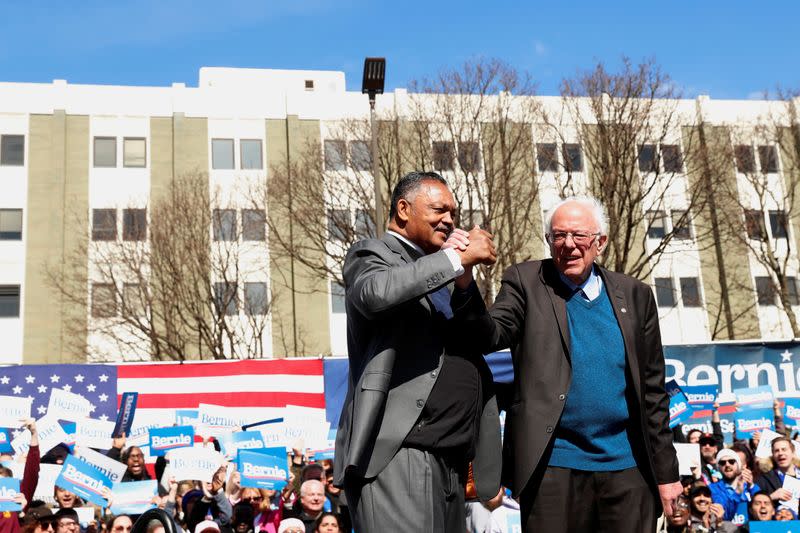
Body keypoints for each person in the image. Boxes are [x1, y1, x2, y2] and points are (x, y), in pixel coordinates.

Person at [453, 195, 680, 531]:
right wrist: (463, 278)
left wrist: (666, 476)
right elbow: (490, 335)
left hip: (628, 468)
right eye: (558, 236)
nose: (568, 245)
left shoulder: (635, 295)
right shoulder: (526, 282)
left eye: (579, 236)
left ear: (600, 242)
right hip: (552, 467)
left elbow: (653, 392)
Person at [333, 171, 502, 532]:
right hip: (401, 453)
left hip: (453, 457)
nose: (450, 220)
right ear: (404, 209)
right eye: (439, 209)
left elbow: (484, 339)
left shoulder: (440, 268)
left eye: (454, 213)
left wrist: (463, 280)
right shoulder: (372, 254)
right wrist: (453, 259)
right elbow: (376, 293)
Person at [709, 448, 760, 522]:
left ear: (739, 465)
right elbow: (724, 515)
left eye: (731, 461)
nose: (727, 465)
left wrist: (752, 486)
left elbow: (762, 505)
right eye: (723, 463)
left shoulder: (749, 486)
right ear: (718, 467)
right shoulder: (713, 489)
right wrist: (737, 492)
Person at [755, 436, 797, 505]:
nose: (780, 453)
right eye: (776, 451)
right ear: (773, 455)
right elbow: (754, 505)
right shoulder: (764, 479)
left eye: (784, 449)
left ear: (792, 452)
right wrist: (771, 497)